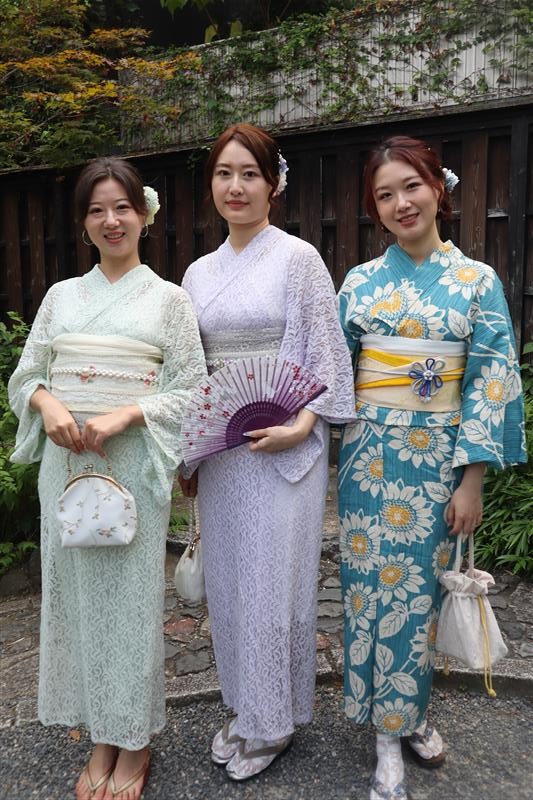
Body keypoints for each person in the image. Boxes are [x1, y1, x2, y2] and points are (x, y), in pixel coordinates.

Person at [8, 157, 206, 800]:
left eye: (122, 207)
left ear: (144, 214)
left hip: (131, 467)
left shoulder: (170, 300)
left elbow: (193, 389)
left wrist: (130, 412)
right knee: (75, 603)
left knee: (132, 606)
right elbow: (26, 375)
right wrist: (47, 404)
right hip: (68, 467)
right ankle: (101, 735)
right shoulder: (61, 297)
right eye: (97, 210)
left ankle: (134, 741)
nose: (111, 220)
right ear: (84, 223)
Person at [337, 135, 527, 800]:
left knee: (418, 597)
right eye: (384, 194)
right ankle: (384, 733)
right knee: (366, 592)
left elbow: (489, 380)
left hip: (436, 461)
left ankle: (408, 717)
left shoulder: (477, 282)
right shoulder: (359, 283)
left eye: (411, 187)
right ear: (375, 208)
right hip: (367, 458)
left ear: (437, 188)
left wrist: (471, 479)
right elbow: (332, 375)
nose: (400, 203)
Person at [179, 123, 355, 781]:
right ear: (211, 185)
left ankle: (274, 721)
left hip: (283, 447)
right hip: (224, 453)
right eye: (224, 173)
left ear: (274, 183)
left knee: (273, 588)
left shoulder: (298, 259)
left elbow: (326, 357)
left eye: (249, 173)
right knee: (229, 587)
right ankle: (245, 706)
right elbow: (190, 371)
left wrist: (301, 425)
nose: (236, 186)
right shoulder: (198, 273)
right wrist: (190, 453)